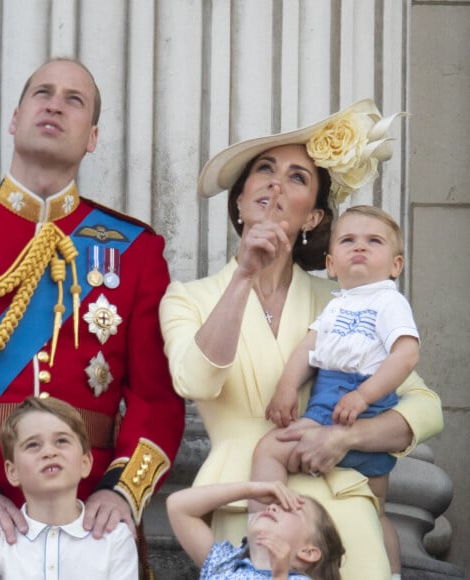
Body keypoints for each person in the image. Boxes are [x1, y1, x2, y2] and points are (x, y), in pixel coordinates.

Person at [0, 57, 185, 580]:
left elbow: (156, 398)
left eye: (75, 99)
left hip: (89, 513)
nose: (55, 104)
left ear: (92, 137)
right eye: (42, 93)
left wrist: (122, 491)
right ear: (15, 117)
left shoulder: (136, 249)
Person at [159, 99, 443, 579]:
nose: (275, 183)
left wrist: (347, 436)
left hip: (339, 504)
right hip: (250, 507)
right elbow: (197, 381)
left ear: (313, 217)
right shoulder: (187, 297)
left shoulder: (347, 302)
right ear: (241, 199)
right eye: (264, 170)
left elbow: (426, 407)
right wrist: (243, 277)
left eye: (297, 177)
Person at [252, 205, 420, 578]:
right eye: (348, 241)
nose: (359, 247)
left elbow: (406, 355)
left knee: (269, 449)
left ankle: (262, 535)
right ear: (331, 264)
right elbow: (307, 350)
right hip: (333, 400)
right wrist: (285, 388)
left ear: (396, 266)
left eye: (373, 241)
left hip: (357, 405)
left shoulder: (389, 301)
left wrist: (364, 396)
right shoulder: (337, 305)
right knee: (376, 513)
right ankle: (390, 572)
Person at [0, 396, 138, 579]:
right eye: (33, 445)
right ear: (12, 471)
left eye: (62, 441)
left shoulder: (115, 538)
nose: (49, 452)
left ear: (86, 462)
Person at [167, 479, 344, 580]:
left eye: (289, 510)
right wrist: (250, 489)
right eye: (274, 504)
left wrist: (280, 574)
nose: (272, 508)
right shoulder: (226, 562)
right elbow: (178, 507)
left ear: (308, 552)